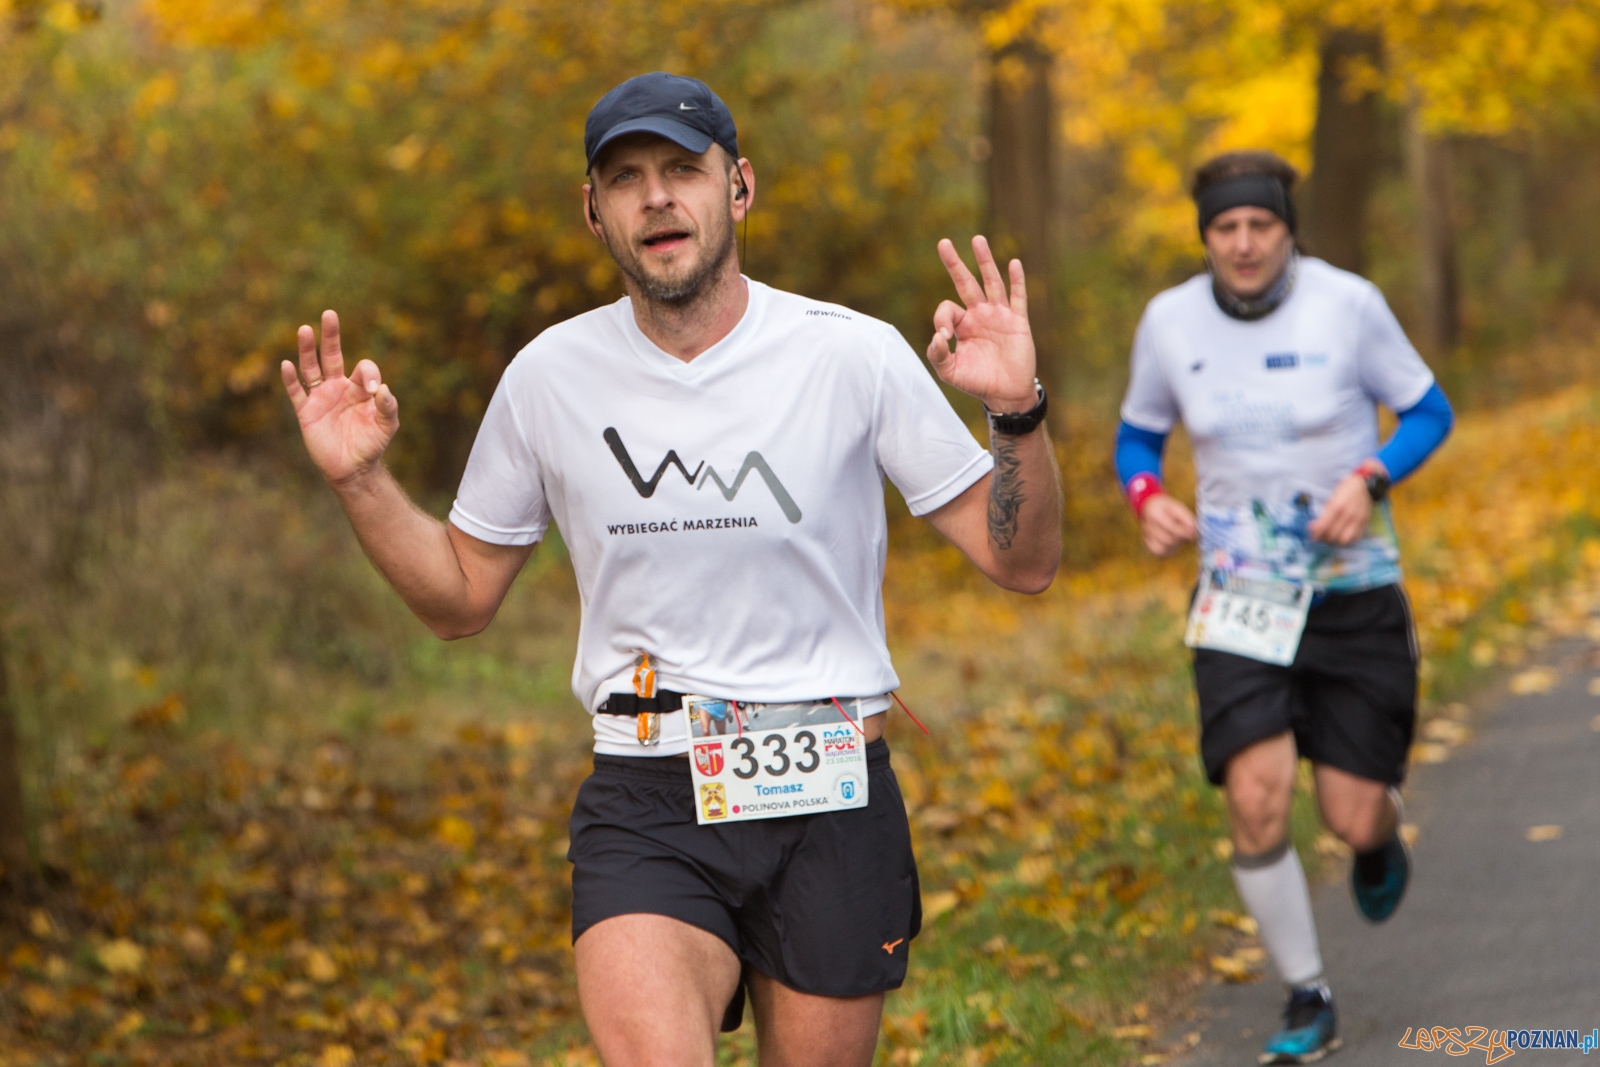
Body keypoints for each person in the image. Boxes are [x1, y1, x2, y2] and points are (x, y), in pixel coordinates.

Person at [280, 72, 1062, 1067]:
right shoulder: (547, 377)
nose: (655, 195)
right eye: (625, 177)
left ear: (736, 188)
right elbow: (459, 596)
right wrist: (362, 483)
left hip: (825, 785)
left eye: (680, 170)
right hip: (646, 795)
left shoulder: (849, 355)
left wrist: (1016, 413)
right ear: (593, 210)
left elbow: (1024, 560)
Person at [1114, 151, 1453, 1064]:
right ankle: (1308, 994)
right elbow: (1138, 432)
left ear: (1287, 228)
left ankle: (1379, 841)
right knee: (1256, 802)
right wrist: (1147, 494)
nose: (1244, 243)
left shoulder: (1348, 305)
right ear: (1206, 238)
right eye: (1226, 228)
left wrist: (1372, 473)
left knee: (1350, 816)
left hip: (1351, 594)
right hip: (1239, 600)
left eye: (1260, 225)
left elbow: (1428, 410)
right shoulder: (1169, 321)